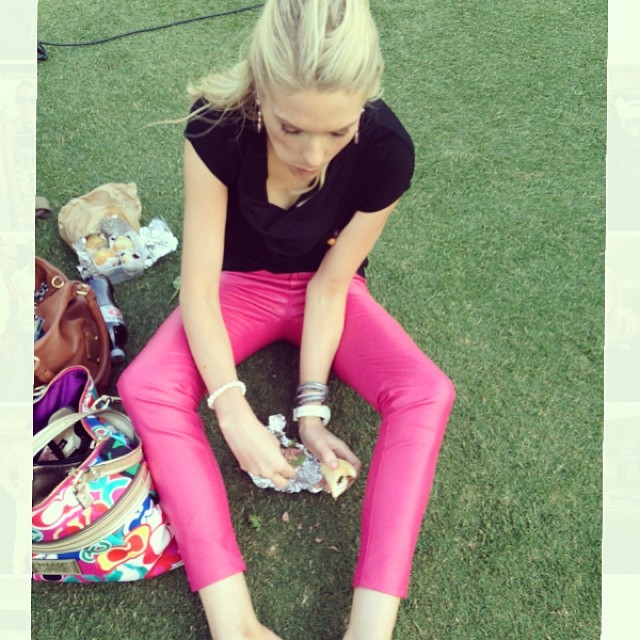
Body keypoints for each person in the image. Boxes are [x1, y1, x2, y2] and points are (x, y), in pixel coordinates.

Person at [117, 1, 455, 638]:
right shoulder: (216, 125)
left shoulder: (388, 151)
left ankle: (370, 628)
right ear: (260, 95)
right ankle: (234, 622)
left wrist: (310, 413)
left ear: (364, 105)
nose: (313, 154)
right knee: (146, 386)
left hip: (328, 291)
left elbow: (331, 286)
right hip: (235, 288)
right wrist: (232, 409)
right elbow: (198, 289)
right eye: (291, 127)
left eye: (337, 132)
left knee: (426, 392)